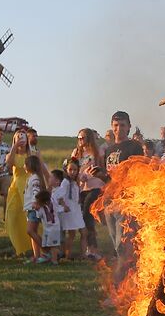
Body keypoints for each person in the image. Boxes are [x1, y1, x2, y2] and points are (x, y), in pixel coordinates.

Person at [98, 111, 147, 260]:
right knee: (116, 243)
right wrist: (99, 175)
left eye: (122, 125)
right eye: (116, 125)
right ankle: (124, 276)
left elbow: (137, 173)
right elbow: (109, 177)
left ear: (129, 127)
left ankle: (126, 276)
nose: (118, 128)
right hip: (110, 200)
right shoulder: (109, 150)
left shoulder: (134, 147)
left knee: (123, 243)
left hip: (125, 200)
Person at [73, 128, 106, 260]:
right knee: (84, 218)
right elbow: (72, 168)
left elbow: (102, 167)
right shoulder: (76, 153)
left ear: (89, 139)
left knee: (87, 213)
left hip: (96, 186)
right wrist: (79, 177)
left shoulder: (98, 151)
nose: (80, 141)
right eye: (78, 138)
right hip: (83, 188)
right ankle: (89, 248)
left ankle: (94, 249)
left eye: (83, 138)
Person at [3, 132, 34, 256]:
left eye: (23, 137)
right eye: (18, 137)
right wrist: (15, 147)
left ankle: (34, 245)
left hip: (28, 186)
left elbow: (36, 166)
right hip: (16, 187)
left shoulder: (31, 154)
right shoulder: (11, 155)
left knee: (29, 216)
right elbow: (9, 164)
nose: (21, 139)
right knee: (12, 214)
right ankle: (18, 246)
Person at [52, 163, 86, 259]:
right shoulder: (66, 182)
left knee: (83, 232)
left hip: (76, 209)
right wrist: (64, 205)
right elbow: (59, 195)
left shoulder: (74, 181)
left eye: (75, 170)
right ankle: (68, 254)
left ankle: (82, 254)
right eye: (70, 170)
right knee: (72, 233)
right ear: (66, 170)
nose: (73, 172)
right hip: (70, 211)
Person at [23, 154, 52, 262]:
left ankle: (47, 251)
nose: (24, 166)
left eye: (25, 164)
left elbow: (36, 191)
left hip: (33, 209)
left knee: (30, 231)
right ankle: (37, 255)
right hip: (30, 209)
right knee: (33, 231)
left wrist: (36, 202)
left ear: (30, 165)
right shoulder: (32, 177)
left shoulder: (34, 178)